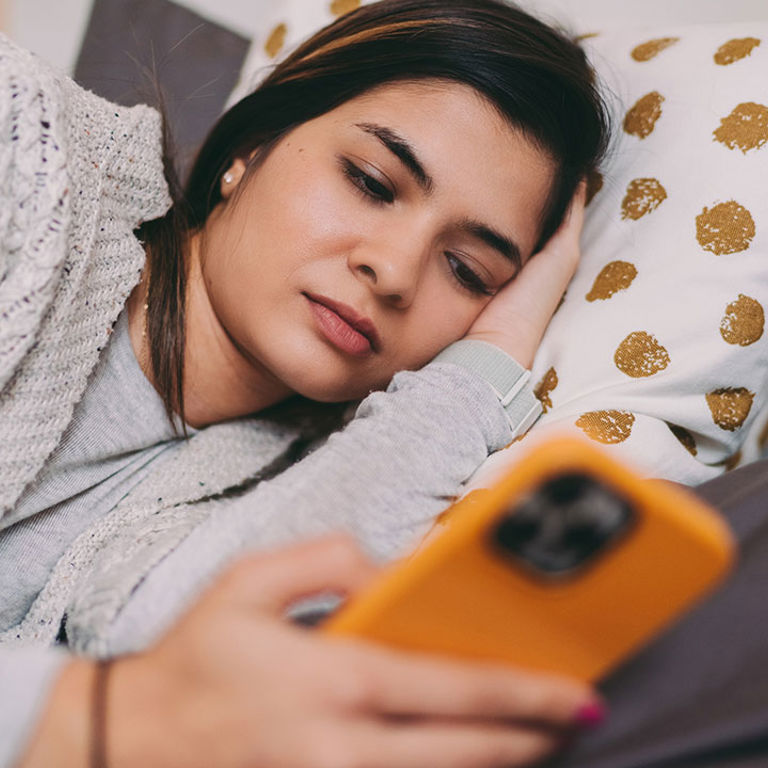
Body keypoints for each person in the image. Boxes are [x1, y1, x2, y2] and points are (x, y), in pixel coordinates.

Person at [0, 0, 612, 765]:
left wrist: (484, 366)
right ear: (254, 145)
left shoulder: (280, 484)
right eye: (370, 181)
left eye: (466, 269)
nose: (392, 272)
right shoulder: (24, 151)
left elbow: (190, 661)